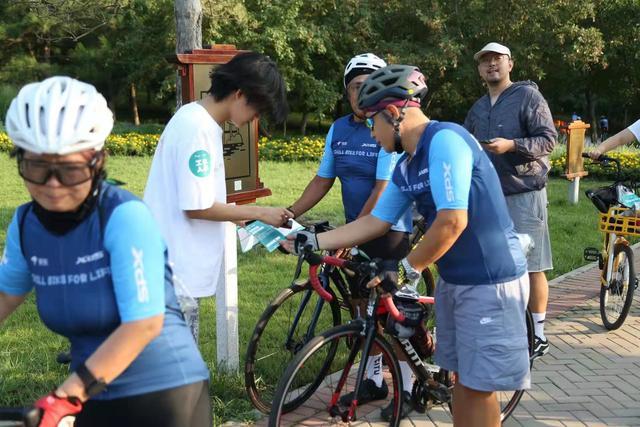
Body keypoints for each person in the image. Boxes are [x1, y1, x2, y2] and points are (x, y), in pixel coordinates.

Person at [284, 65, 530, 426]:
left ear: (394, 114)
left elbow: (453, 220)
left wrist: (404, 269)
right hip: (455, 281)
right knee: (463, 384)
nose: (370, 132)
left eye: (372, 122)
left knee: (479, 388)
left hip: (490, 280)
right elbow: (374, 222)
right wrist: (313, 240)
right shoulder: (406, 166)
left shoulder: (446, 140)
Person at [0, 76, 211, 427]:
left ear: (98, 162)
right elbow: (5, 294)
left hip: (164, 392)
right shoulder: (25, 225)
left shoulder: (123, 216)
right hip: (93, 389)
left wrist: (64, 396)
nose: (52, 185)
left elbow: (143, 324)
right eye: (37, 167)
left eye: (70, 169)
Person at [287, 53, 414, 410]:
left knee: (393, 314)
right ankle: (373, 380)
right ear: (347, 93)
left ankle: (406, 387)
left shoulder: (389, 124)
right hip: (355, 230)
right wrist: (291, 212)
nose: (362, 94)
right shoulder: (339, 129)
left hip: (388, 231)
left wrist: (349, 234)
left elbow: (382, 190)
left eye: (369, 86)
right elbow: (323, 179)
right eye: (356, 87)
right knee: (361, 309)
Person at [143, 52, 291, 341]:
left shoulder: (197, 121)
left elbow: (203, 199)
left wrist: (256, 224)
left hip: (171, 271)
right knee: (177, 374)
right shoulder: (197, 129)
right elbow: (197, 206)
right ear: (239, 94)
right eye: (257, 109)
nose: (255, 119)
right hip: (173, 274)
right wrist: (260, 212)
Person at [464, 42, 556, 359]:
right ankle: (506, 327)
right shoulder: (477, 108)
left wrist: (512, 145)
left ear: (510, 64)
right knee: (495, 264)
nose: (491, 65)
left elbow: (548, 140)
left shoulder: (527, 96)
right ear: (479, 70)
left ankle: (539, 334)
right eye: (485, 61)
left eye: (497, 59)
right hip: (489, 196)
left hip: (525, 191)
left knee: (531, 264)